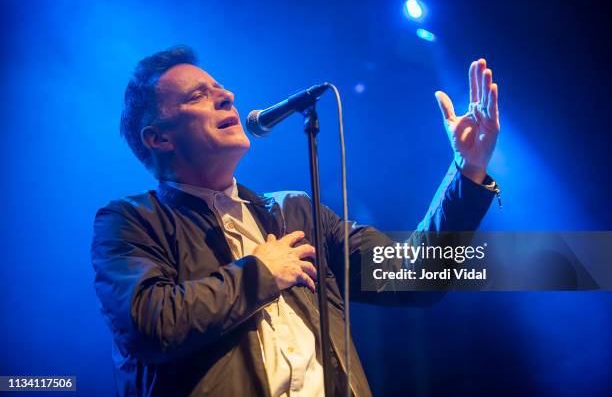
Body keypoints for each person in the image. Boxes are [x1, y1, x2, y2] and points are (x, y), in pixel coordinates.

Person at [91, 45, 500, 396]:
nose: (227, 96)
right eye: (199, 95)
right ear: (159, 138)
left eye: (221, 88)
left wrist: (466, 173)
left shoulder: (295, 212)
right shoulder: (130, 221)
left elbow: (412, 279)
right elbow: (151, 324)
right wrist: (260, 272)